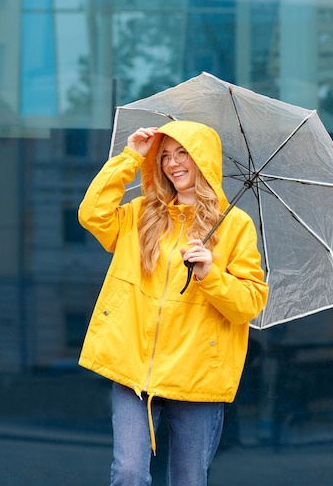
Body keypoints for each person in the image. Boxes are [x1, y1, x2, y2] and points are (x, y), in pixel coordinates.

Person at [78, 120, 268, 486]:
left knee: (189, 480)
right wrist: (131, 156)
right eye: (164, 155)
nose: (172, 163)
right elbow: (92, 215)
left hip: (197, 374)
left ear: (204, 159)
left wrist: (210, 273)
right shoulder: (140, 214)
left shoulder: (235, 226)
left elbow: (250, 302)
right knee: (129, 472)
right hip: (134, 369)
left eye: (183, 152)